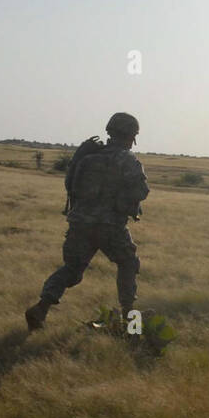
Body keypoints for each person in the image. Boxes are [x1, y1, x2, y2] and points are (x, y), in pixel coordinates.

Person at [25, 112, 149, 330]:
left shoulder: (88, 158)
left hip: (80, 224)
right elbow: (141, 191)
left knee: (72, 269)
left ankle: (40, 308)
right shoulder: (127, 159)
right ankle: (129, 315)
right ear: (130, 135)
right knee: (128, 263)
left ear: (110, 131)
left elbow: (70, 187)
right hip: (111, 227)